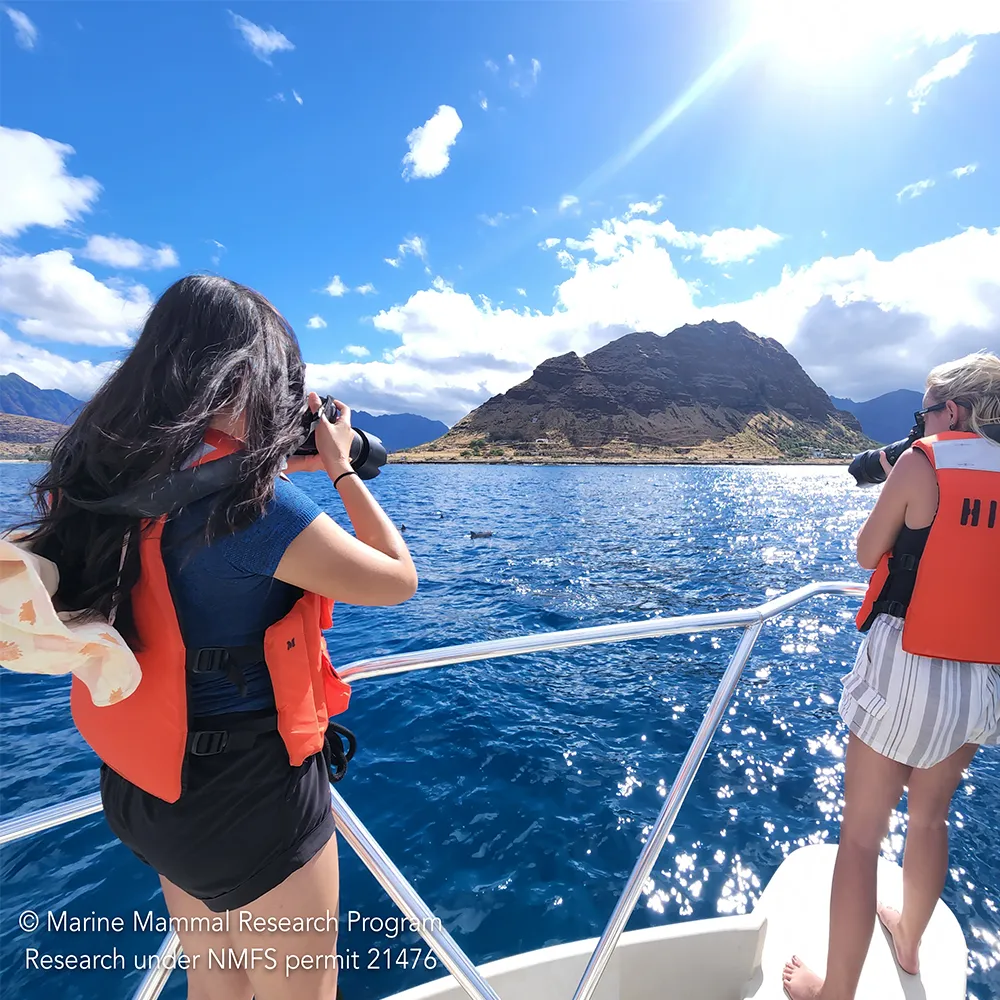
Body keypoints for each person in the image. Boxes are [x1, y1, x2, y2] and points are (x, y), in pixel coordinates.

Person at [20, 275, 418, 1000]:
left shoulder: (108, 478)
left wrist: (261, 458)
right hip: (248, 794)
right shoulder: (256, 507)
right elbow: (396, 579)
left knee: (217, 985)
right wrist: (338, 468)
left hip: (151, 788)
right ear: (251, 375)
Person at [783, 349, 1000, 1000]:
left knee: (860, 837)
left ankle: (835, 992)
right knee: (930, 819)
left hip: (908, 667)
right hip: (980, 679)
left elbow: (865, 552)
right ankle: (908, 940)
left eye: (926, 411)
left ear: (952, 410)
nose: (922, 424)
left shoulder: (922, 462)